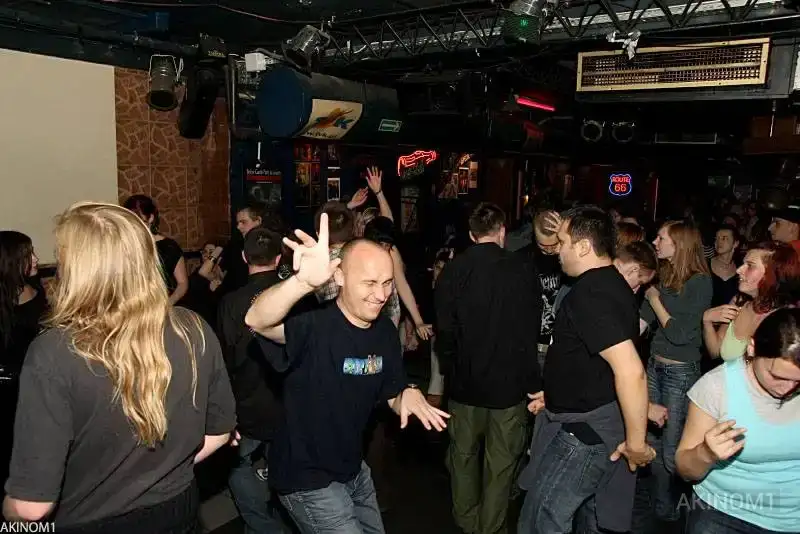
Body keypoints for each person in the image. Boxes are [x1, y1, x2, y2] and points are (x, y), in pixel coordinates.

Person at [3, 202, 237, 532]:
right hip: (178, 509)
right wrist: (160, 472)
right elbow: (220, 432)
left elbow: (30, 510)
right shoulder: (191, 327)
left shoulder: (53, 351)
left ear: (76, 269)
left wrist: (9, 514)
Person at [245, 214, 449, 534]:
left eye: (387, 283)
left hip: (353, 468)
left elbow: (392, 392)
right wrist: (302, 283)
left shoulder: (384, 331)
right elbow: (256, 320)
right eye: (369, 283)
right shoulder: (314, 325)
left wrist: (406, 394)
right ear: (339, 277)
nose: (381, 295)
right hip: (307, 477)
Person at [517, 206, 655, 534]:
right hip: (586, 420)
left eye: (563, 242)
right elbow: (594, 360)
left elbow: (631, 371)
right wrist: (556, 393)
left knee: (541, 520)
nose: (557, 249)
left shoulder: (592, 293)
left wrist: (636, 444)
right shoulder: (608, 284)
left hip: (584, 434)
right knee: (588, 521)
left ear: (582, 247)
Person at [436, 202, 542, 534]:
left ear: (471, 234)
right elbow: (530, 332)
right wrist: (532, 382)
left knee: (463, 458)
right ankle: (490, 528)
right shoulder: (522, 270)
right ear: (502, 231)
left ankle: (466, 522)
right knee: (501, 465)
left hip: (464, 383)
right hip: (509, 386)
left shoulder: (453, 270)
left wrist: (452, 367)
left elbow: (444, 331)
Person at [676, 307, 800, 533]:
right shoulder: (717, 386)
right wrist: (706, 453)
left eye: (798, 382)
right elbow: (685, 469)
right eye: (777, 376)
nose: (787, 389)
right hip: (723, 513)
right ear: (752, 348)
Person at [217, 228, 304, 534]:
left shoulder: (230, 302)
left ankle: (262, 526)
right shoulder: (295, 295)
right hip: (287, 401)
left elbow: (225, 358)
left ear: (244, 257)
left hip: (247, 403)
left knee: (240, 467)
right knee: (287, 466)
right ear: (279, 258)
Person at [641, 219, 713, 528]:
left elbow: (680, 334)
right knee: (651, 443)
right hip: (654, 366)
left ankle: (676, 514)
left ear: (679, 243)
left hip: (680, 372)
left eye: (661, 238)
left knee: (672, 450)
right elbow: (642, 322)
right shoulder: (665, 274)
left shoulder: (700, 282)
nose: (655, 243)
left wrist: (654, 299)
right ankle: (660, 507)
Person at [704, 241, 800, 362]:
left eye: (750, 265)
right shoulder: (738, 302)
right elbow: (716, 352)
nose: (739, 270)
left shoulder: (786, 320)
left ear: (773, 273)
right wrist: (707, 321)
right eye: (743, 264)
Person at [124, 195, 189, 305]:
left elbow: (182, 283)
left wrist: (168, 303)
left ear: (151, 218)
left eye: (140, 222)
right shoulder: (125, 246)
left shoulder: (169, 246)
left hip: (165, 304)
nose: (135, 227)